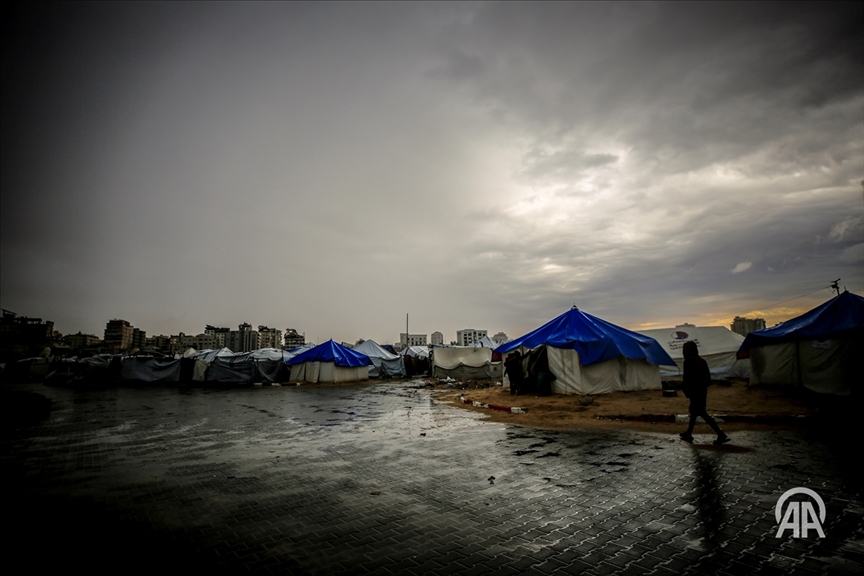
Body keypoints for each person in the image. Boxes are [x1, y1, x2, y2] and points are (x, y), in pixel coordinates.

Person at [679, 341, 730, 445]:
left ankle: (721, 434)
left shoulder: (688, 361)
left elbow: (687, 378)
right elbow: (708, 379)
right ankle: (689, 432)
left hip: (694, 392)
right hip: (702, 391)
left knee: (701, 413)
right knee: (694, 412)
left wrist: (687, 390)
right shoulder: (702, 361)